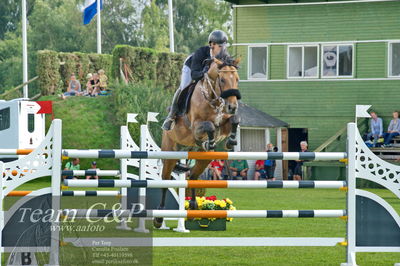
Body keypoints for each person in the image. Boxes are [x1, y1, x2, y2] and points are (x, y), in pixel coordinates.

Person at [162, 30, 229, 130]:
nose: (222, 49)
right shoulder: (200, 53)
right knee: (184, 86)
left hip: (204, 73)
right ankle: (171, 115)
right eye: (219, 46)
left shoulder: (224, 56)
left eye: (223, 46)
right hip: (191, 68)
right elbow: (194, 75)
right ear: (212, 44)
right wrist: (203, 73)